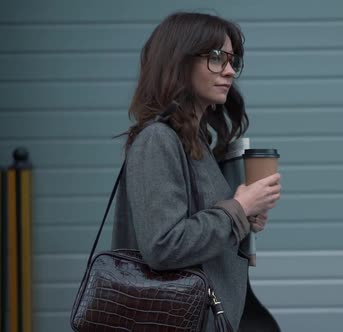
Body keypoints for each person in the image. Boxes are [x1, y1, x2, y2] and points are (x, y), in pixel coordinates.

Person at [111, 12, 282, 331]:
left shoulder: (197, 142)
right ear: (178, 61)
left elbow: (199, 225)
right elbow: (163, 246)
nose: (230, 71)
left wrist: (245, 219)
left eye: (233, 60)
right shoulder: (157, 140)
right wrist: (238, 209)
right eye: (216, 58)